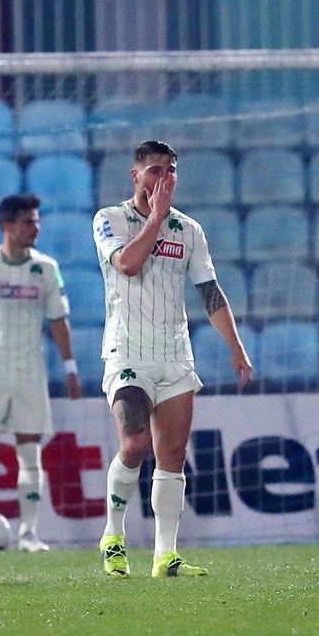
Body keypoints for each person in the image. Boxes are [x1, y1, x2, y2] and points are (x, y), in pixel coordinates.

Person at [92, 140, 252, 578]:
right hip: (127, 352)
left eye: (171, 170)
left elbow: (210, 292)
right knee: (135, 444)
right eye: (155, 170)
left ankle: (165, 555)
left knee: (173, 454)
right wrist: (156, 217)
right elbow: (127, 264)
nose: (164, 178)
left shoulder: (189, 230)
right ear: (136, 176)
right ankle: (113, 536)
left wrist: (236, 346)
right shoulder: (110, 219)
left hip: (175, 355)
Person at [0, 193, 83, 553]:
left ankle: (28, 532)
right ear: (7, 225)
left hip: (30, 373)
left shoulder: (46, 269)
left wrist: (70, 367)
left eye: (37, 221)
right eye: (28, 222)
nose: (36, 228)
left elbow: (59, 321)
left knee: (30, 452)